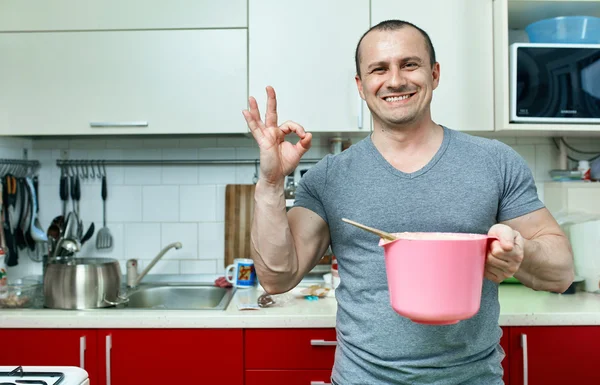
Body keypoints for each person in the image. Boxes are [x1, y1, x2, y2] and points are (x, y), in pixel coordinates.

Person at [242, 19, 574, 385]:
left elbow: (561, 273)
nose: (396, 80)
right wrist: (271, 183)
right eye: (379, 68)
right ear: (360, 86)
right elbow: (276, 277)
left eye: (410, 64)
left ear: (434, 73)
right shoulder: (328, 177)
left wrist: (519, 252)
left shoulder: (494, 162)